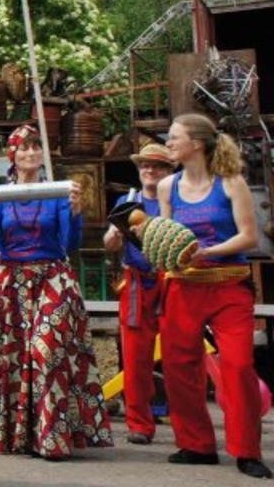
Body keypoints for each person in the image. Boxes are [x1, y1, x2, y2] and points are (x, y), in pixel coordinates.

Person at [0, 124, 112, 460]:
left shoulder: (57, 193)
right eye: (24, 148)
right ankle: (20, 436)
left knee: (46, 350)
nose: (31, 153)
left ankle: (53, 437)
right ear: (13, 156)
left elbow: (70, 244)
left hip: (52, 275)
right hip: (12, 280)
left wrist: (76, 212)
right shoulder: (2, 194)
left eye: (37, 147)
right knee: (14, 357)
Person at [155, 113, 271, 479]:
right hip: (183, 285)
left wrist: (209, 251)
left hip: (228, 284)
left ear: (197, 143)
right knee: (178, 368)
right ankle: (196, 445)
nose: (169, 143)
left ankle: (247, 451)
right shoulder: (167, 187)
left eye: (174, 137)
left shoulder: (231, 183)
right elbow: (164, 237)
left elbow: (249, 237)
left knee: (237, 366)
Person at [101, 143, 176, 445]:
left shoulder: (176, 199)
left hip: (170, 280)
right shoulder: (127, 200)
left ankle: (185, 424)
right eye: (145, 165)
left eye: (157, 166)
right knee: (135, 358)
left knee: (179, 354)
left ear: (170, 171)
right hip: (135, 283)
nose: (149, 170)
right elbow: (110, 244)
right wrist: (114, 235)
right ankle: (139, 424)